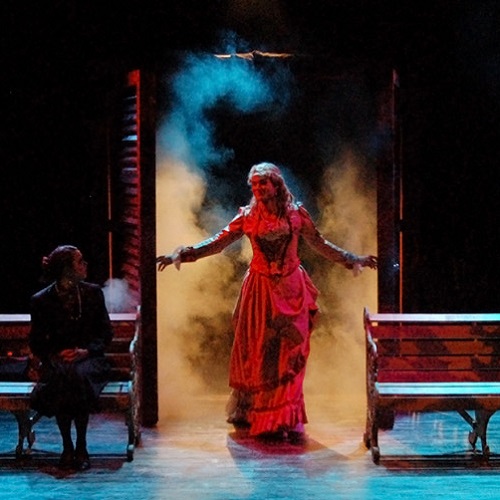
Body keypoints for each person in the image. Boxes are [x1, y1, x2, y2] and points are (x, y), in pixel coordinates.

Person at [157, 162, 377, 444]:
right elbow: (218, 242)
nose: (258, 188)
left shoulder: (296, 214)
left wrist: (352, 259)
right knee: (262, 354)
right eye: (254, 184)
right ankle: (263, 416)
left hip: (291, 288)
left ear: (276, 184)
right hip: (260, 290)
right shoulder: (247, 216)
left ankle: (285, 417)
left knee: (291, 353)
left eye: (263, 182)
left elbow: (319, 243)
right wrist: (182, 254)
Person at [29, 245, 113, 470]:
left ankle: (81, 445)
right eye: (79, 261)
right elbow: (37, 341)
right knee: (64, 376)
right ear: (67, 269)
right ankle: (68, 445)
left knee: (76, 375)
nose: (85, 265)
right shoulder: (41, 300)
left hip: (90, 360)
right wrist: (55, 354)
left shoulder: (92, 293)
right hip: (58, 362)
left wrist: (85, 351)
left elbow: (105, 333)